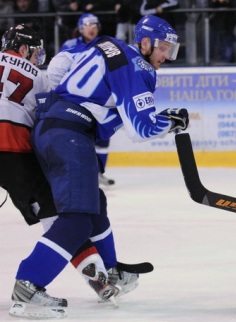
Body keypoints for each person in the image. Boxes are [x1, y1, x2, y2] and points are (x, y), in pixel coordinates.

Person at [10, 15, 189, 318]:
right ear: (145, 43)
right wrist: (172, 120)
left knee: (96, 203)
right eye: (163, 49)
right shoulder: (139, 67)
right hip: (70, 135)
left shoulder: (106, 44)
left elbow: (59, 64)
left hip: (48, 127)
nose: (164, 57)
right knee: (77, 219)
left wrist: (65, 98)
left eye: (170, 51)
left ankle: (111, 270)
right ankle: (28, 284)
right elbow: (140, 129)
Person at [0, 24, 141, 319]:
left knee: (75, 214)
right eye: (35, 51)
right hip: (13, 151)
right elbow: (50, 112)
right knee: (60, 216)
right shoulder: (39, 76)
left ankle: (100, 275)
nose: (37, 57)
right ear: (24, 49)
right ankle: (90, 278)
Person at [59, 13, 117, 186]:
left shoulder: (106, 46)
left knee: (104, 137)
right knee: (76, 135)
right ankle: (73, 173)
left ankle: (98, 172)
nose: (91, 29)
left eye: (94, 25)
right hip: (74, 99)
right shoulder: (70, 45)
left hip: (97, 98)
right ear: (80, 28)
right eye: (87, 25)